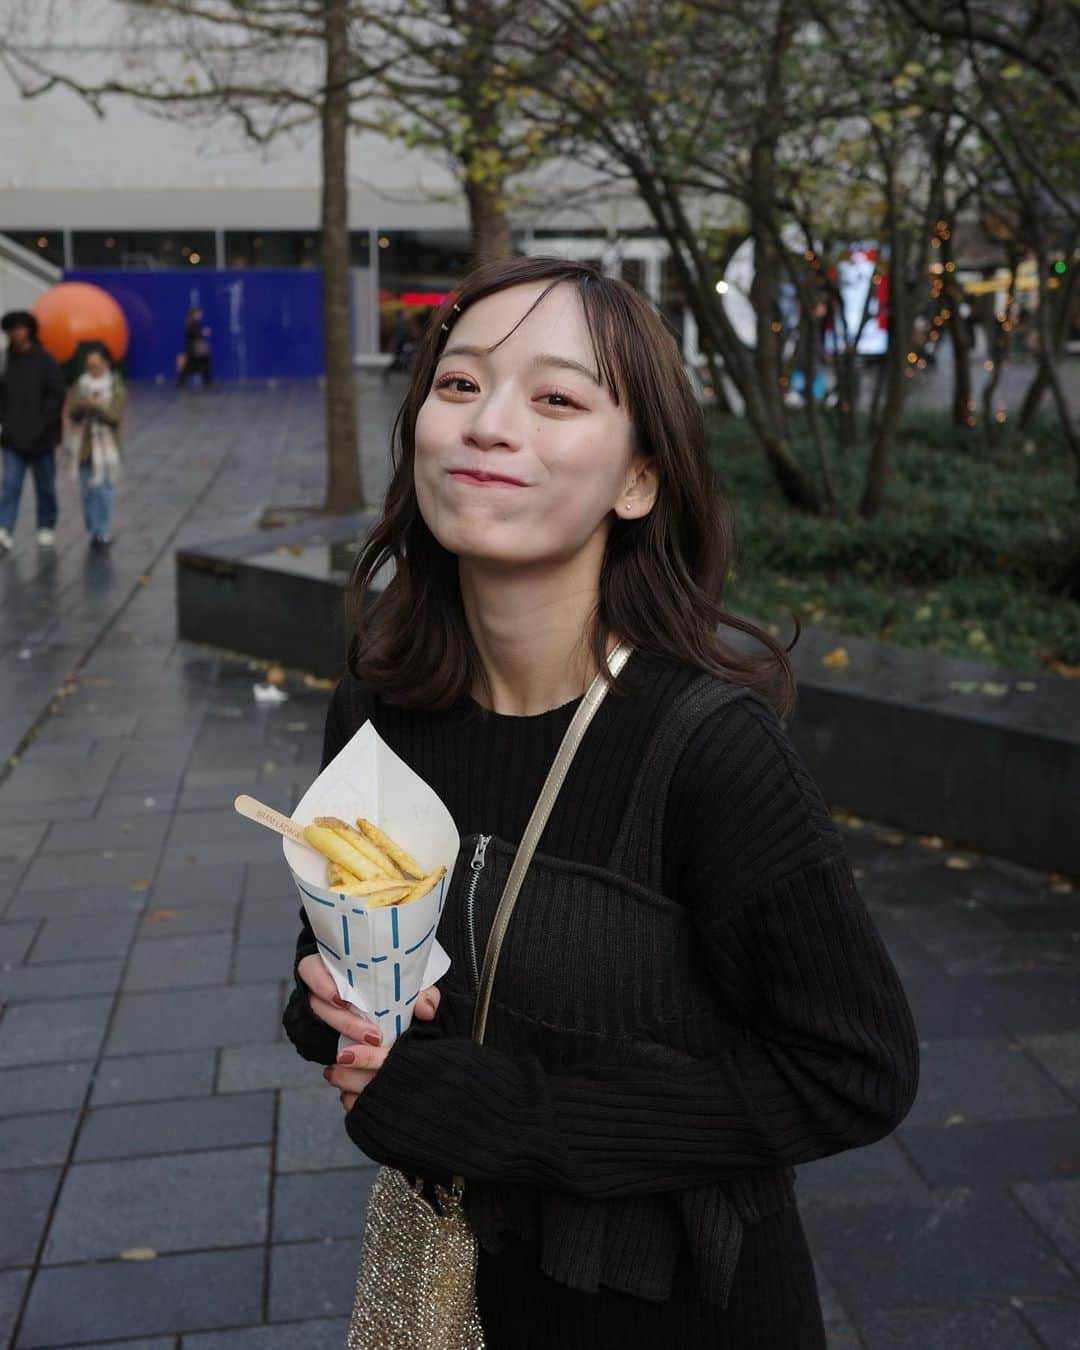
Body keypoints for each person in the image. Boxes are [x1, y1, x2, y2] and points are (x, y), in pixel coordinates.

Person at [282, 257, 919, 1348]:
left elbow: (854, 1071)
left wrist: (511, 1118)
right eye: (460, 384)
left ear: (637, 481)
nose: (487, 425)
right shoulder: (380, 707)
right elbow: (336, 954)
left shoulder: (709, 751)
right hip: (452, 1288)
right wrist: (328, 1010)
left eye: (558, 398)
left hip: (681, 1312)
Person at [0, 309, 65, 552]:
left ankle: (46, 526)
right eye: (12, 329)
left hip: (42, 437)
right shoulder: (5, 361)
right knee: (10, 484)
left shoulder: (45, 361)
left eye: (21, 328)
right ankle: (4, 529)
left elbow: (56, 395)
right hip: (12, 437)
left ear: (30, 331)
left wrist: (44, 423)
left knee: (45, 485)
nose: (17, 333)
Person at [66, 344, 125, 549]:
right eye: (89, 366)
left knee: (103, 490)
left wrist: (97, 406)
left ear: (106, 363)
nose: (92, 370)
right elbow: (72, 414)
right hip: (82, 448)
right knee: (87, 493)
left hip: (106, 449)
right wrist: (82, 407)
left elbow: (114, 415)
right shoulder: (81, 385)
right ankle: (93, 528)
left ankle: (103, 530)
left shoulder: (114, 385)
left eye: (97, 366)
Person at [177, 306, 212, 386]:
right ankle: (207, 382)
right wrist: (203, 332)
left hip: (194, 351)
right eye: (199, 313)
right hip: (193, 351)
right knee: (191, 367)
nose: (200, 315)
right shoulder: (191, 324)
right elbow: (196, 334)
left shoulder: (193, 324)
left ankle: (207, 382)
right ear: (194, 314)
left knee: (202, 366)